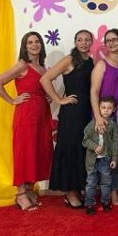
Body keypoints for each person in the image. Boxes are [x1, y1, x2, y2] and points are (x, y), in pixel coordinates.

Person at [0, 31, 52, 211]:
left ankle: (29, 188)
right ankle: (21, 194)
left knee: (38, 151)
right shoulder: (22, 65)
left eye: (37, 41)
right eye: (30, 42)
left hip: (42, 115)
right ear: (25, 47)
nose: (34, 45)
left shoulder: (43, 68)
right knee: (24, 152)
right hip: (26, 116)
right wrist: (12, 100)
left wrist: (47, 97)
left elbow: (41, 89)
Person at [40, 29, 94, 209]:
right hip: (71, 113)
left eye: (87, 40)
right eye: (80, 39)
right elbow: (45, 79)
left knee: (80, 149)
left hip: (85, 112)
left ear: (91, 42)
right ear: (75, 42)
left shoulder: (90, 62)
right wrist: (58, 99)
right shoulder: (69, 59)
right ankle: (69, 192)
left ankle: (76, 188)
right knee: (70, 149)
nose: (83, 43)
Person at [89, 28, 118, 205]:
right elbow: (94, 92)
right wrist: (98, 117)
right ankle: (99, 192)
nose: (111, 43)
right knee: (103, 156)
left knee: (116, 156)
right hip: (104, 118)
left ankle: (113, 192)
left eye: (115, 39)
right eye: (108, 40)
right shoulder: (101, 65)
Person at [82, 96, 118, 215]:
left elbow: (115, 143)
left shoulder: (112, 125)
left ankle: (105, 202)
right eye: (103, 107)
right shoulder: (92, 123)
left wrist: (114, 159)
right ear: (98, 108)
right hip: (92, 160)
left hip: (105, 159)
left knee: (106, 182)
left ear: (114, 109)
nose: (106, 110)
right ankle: (89, 204)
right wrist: (94, 147)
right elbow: (85, 140)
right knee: (91, 183)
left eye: (109, 108)